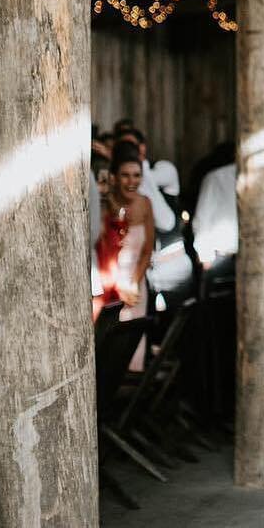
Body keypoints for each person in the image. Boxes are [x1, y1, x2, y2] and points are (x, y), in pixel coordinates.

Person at [94, 148, 156, 367]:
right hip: (109, 283)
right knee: (109, 349)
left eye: (137, 175)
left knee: (134, 350)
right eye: (125, 175)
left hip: (135, 284)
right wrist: (118, 286)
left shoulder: (145, 203)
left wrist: (133, 283)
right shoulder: (104, 205)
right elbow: (101, 250)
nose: (132, 181)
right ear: (115, 178)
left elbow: (148, 248)